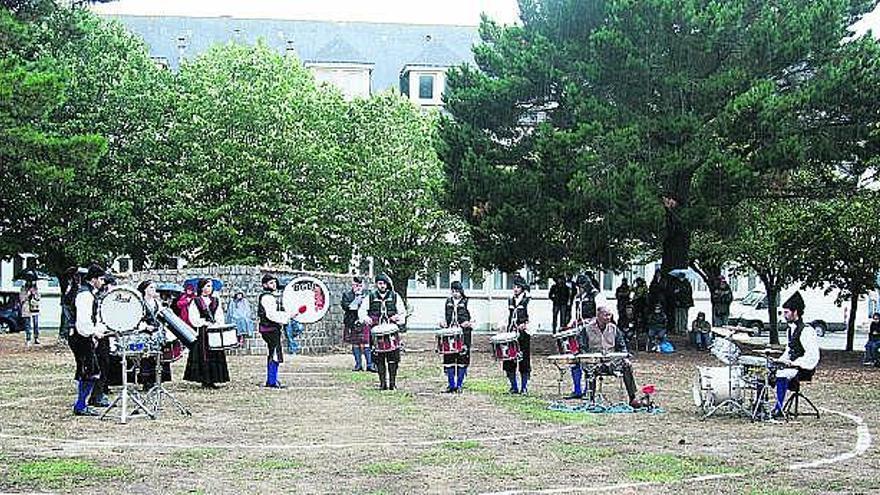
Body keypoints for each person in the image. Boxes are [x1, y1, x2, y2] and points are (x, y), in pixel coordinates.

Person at [579, 306, 641, 408]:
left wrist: (625, 358)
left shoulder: (614, 329)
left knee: (626, 366)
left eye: (609, 315)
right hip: (594, 361)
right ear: (598, 315)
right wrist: (588, 359)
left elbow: (622, 347)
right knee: (589, 368)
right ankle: (591, 400)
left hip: (612, 361)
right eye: (606, 315)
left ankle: (632, 397)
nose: (608, 317)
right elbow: (582, 348)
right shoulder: (586, 329)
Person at [772, 291, 820, 418]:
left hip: (802, 368)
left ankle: (779, 409)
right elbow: (789, 351)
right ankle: (760, 406)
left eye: (787, 312)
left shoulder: (807, 331)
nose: (784, 315)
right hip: (791, 365)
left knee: (781, 375)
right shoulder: (790, 329)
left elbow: (812, 356)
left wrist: (795, 363)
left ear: (795, 312)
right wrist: (779, 361)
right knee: (764, 373)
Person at [69, 264, 106, 416]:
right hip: (80, 336)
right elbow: (83, 321)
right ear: (94, 279)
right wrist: (93, 333)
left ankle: (81, 404)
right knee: (88, 370)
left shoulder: (89, 293)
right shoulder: (85, 295)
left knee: (88, 370)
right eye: (101, 279)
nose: (103, 282)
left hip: (83, 336)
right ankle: (80, 405)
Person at [358, 274, 406, 390]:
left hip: (391, 332)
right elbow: (362, 311)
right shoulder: (370, 297)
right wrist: (366, 318)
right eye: (380, 283)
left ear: (387, 284)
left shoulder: (395, 297)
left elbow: (402, 312)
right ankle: (383, 383)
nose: (382, 286)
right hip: (376, 331)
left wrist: (398, 318)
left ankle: (392, 383)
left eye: (384, 283)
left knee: (393, 358)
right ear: (376, 284)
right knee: (379, 359)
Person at [183, 278, 230, 389]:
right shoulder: (196, 301)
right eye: (207, 286)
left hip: (214, 330)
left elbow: (219, 315)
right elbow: (193, 317)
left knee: (215, 353)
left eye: (211, 286)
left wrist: (217, 323)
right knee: (204, 354)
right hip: (203, 331)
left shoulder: (215, 300)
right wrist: (204, 322)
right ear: (202, 287)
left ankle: (214, 378)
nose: (209, 288)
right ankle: (205, 379)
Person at [563, 274, 599, 399]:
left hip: (591, 332)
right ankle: (577, 389)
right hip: (578, 330)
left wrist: (592, 322)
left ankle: (588, 390)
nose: (580, 289)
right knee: (575, 359)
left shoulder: (596, 296)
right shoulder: (577, 298)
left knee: (588, 360)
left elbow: (602, 314)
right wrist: (570, 325)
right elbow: (574, 316)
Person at [258, 274, 296, 388]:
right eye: (270, 283)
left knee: (274, 353)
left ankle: (272, 379)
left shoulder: (270, 296)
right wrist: (287, 316)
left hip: (271, 328)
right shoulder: (267, 297)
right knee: (274, 353)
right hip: (269, 329)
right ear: (264, 285)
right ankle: (271, 381)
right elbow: (271, 315)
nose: (273, 285)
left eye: (274, 282)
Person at [136, 280, 172, 391]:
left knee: (158, 357)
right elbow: (136, 318)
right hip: (145, 333)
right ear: (145, 289)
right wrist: (145, 326)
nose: (153, 290)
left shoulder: (157, 303)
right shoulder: (140, 303)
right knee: (146, 357)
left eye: (154, 288)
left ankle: (157, 380)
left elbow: (161, 316)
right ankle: (146, 382)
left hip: (156, 333)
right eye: (151, 287)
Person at [439, 281, 473, 393]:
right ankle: (451, 385)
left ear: (461, 291)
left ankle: (459, 385)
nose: (455, 294)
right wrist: (442, 322)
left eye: (457, 291)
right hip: (450, 335)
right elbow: (442, 316)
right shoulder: (447, 302)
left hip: (464, 335)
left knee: (462, 359)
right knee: (449, 358)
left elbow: (474, 318)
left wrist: (468, 323)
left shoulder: (467, 302)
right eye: (453, 291)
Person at [503, 276, 531, 394]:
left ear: (522, 288)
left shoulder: (528, 300)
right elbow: (507, 316)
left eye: (518, 287)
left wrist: (526, 325)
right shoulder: (510, 300)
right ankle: (513, 386)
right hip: (511, 334)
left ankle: (524, 387)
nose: (515, 289)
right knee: (509, 359)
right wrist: (503, 326)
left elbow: (532, 317)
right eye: (514, 287)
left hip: (523, 335)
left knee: (523, 360)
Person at [341, 277, 375, 372]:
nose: (358, 287)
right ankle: (358, 365)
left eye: (360, 285)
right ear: (352, 285)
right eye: (356, 285)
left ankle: (369, 365)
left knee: (367, 343)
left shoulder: (368, 295)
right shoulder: (347, 295)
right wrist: (357, 299)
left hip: (364, 321)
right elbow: (346, 307)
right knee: (355, 344)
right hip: (352, 322)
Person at [19, 281, 40, 345]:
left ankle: (36, 338)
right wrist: (27, 295)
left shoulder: (35, 288)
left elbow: (38, 298)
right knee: (27, 324)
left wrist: (34, 293)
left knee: (35, 323)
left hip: (34, 308)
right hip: (26, 308)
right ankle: (28, 339)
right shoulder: (23, 289)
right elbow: (21, 299)